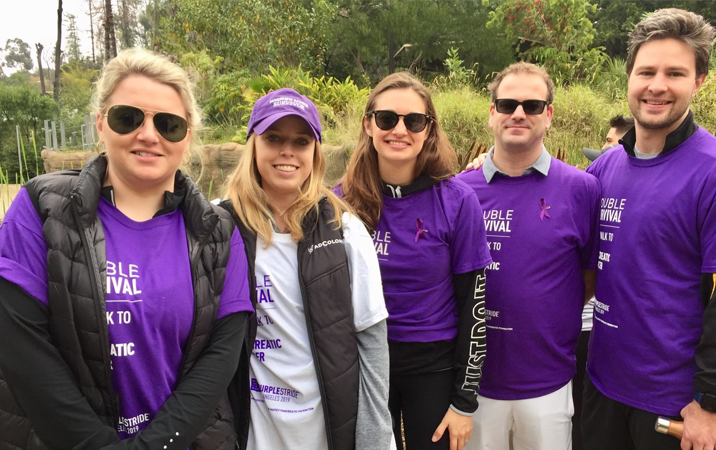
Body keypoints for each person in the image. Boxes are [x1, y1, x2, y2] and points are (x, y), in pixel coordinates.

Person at [0, 48, 252, 449]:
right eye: (128, 117)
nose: (148, 134)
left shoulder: (218, 232)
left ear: (187, 137)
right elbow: (20, 345)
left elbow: (220, 356)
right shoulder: (40, 208)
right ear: (100, 123)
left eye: (169, 124)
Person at [582, 9, 716, 450]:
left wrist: (712, 401)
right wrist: (487, 170)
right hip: (601, 384)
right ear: (628, 76)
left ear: (699, 81)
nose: (657, 85)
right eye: (646, 71)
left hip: (674, 405)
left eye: (675, 73)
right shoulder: (605, 166)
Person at [220, 88, 393, 450]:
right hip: (252, 429)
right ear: (253, 145)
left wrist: (374, 438)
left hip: (327, 428)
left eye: (301, 141)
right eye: (274, 138)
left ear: (315, 152)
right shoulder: (220, 226)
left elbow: (372, 341)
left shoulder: (344, 229)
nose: (287, 151)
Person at [338, 72, 492, 450]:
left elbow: (474, 304)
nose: (399, 130)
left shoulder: (457, 201)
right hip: (364, 364)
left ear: (429, 129)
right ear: (368, 124)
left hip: (433, 365)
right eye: (387, 119)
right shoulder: (339, 202)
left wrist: (464, 401)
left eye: (414, 121)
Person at [457, 62, 600, 450]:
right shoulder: (457, 192)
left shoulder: (582, 189)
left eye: (532, 105)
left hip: (547, 382)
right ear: (491, 113)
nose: (518, 113)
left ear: (548, 115)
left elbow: (587, 279)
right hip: (472, 387)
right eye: (507, 104)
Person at [572, 113, 633, 450]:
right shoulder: (596, 182)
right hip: (595, 344)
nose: (603, 151)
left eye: (609, 144)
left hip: (594, 331)